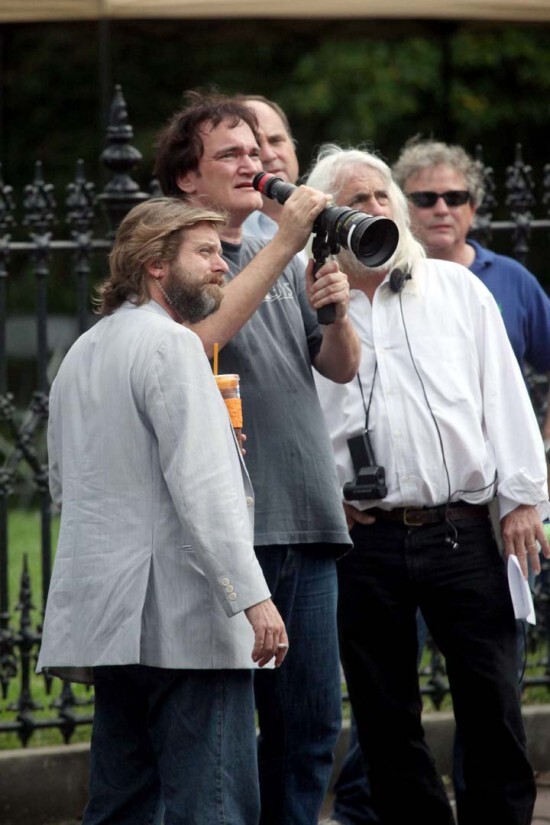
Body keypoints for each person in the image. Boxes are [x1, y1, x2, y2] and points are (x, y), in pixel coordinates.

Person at [305, 144, 550, 825]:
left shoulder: (455, 288)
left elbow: (503, 395)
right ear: (324, 219)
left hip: (461, 530)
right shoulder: (305, 300)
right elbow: (289, 417)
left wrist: (522, 500)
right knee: (384, 717)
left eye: (382, 194)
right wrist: (323, 497)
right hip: (366, 538)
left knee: (492, 704)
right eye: (356, 199)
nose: (374, 207)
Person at [37, 197, 289, 825]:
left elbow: (65, 485)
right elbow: (203, 487)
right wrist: (254, 599)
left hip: (111, 622)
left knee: (121, 804)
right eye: (205, 253)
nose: (222, 265)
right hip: (187, 621)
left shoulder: (81, 353)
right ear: (155, 264)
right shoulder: (173, 346)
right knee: (215, 805)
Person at [154, 92, 360, 825]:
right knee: (225, 739)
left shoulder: (284, 256)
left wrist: (336, 312)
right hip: (233, 530)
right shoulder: (183, 258)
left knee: (309, 727)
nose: (256, 163)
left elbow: (338, 367)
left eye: (258, 150)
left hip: (308, 514)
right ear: (188, 177)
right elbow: (200, 339)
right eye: (231, 154)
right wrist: (283, 244)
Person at [392, 136, 550, 815]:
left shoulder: (505, 280)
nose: (440, 208)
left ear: (475, 208)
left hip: (486, 508)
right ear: (402, 206)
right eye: (424, 197)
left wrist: (535, 464)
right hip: (394, 516)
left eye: (454, 196)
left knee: (489, 683)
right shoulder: (372, 280)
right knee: (387, 692)